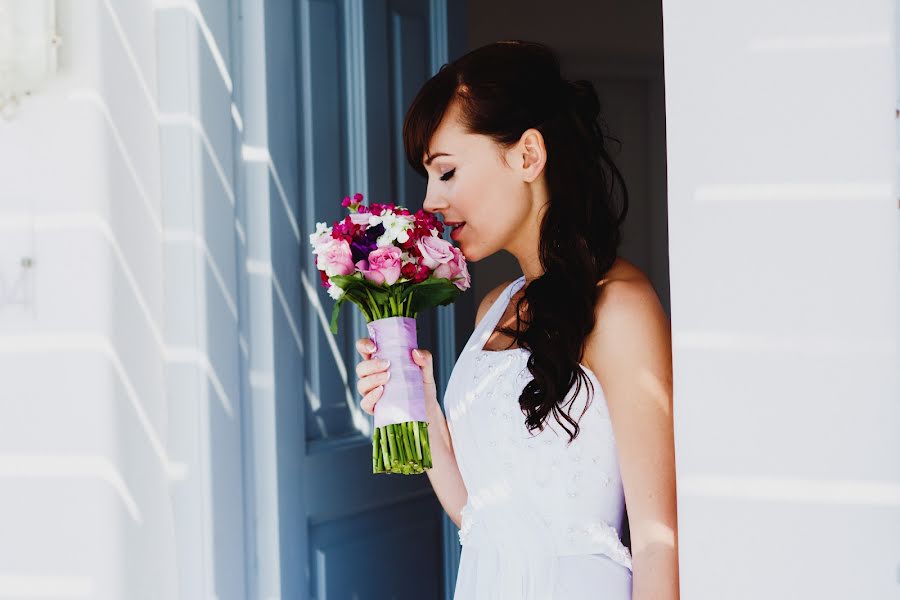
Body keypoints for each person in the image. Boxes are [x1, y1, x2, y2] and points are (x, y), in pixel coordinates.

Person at [354, 40, 678, 600]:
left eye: (447, 171)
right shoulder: (493, 309)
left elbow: (659, 543)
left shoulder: (620, 307)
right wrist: (420, 402)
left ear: (527, 155)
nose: (430, 200)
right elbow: (479, 518)